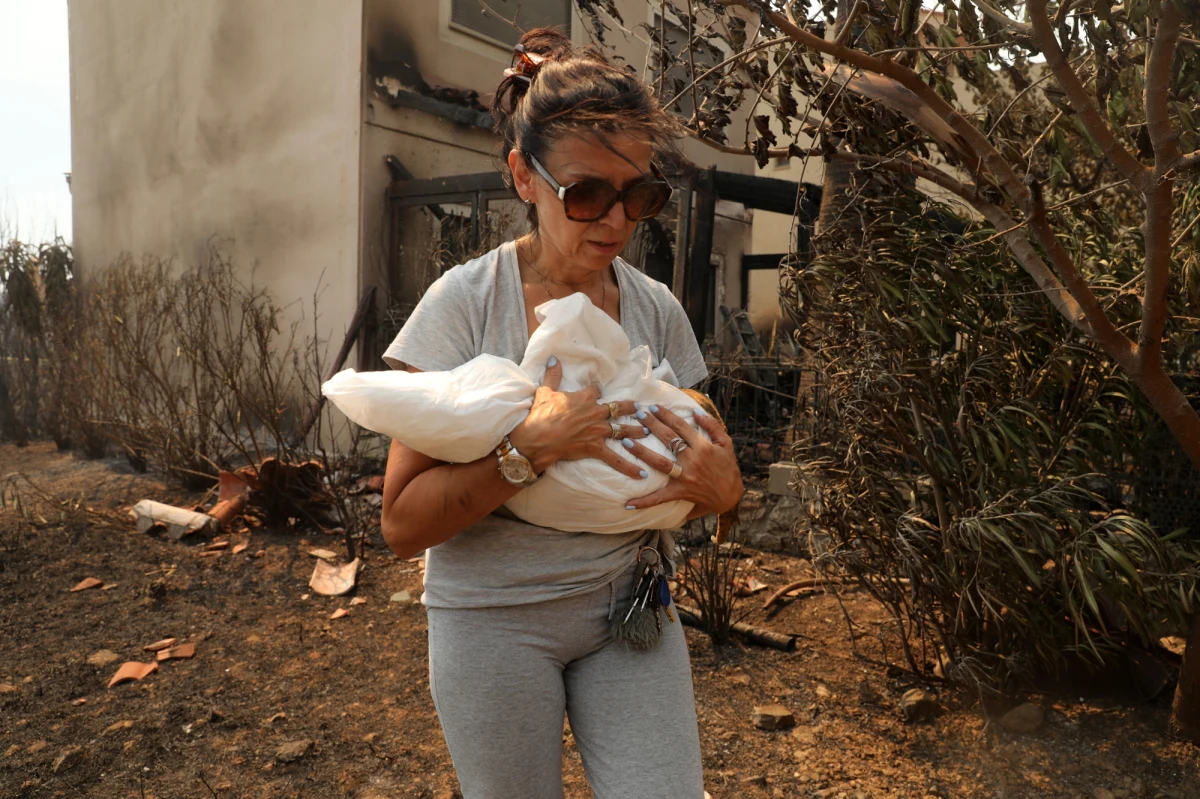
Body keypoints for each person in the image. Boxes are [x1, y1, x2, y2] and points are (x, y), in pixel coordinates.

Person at [380, 28, 744, 799]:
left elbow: (692, 465)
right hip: (494, 621)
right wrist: (527, 450)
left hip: (631, 607)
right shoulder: (464, 305)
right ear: (524, 177)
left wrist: (727, 496)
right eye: (586, 194)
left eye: (639, 195)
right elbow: (402, 523)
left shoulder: (656, 310)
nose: (615, 221)